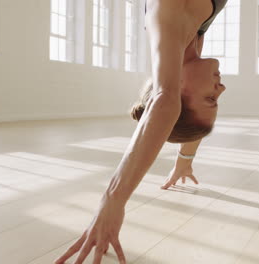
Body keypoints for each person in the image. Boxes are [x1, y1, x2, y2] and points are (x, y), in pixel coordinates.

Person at [55, 0, 227, 263]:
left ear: (178, 89)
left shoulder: (168, 19)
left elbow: (166, 101)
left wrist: (113, 199)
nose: (221, 90)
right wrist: (185, 159)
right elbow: (179, 111)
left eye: (211, 99)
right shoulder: (193, 37)